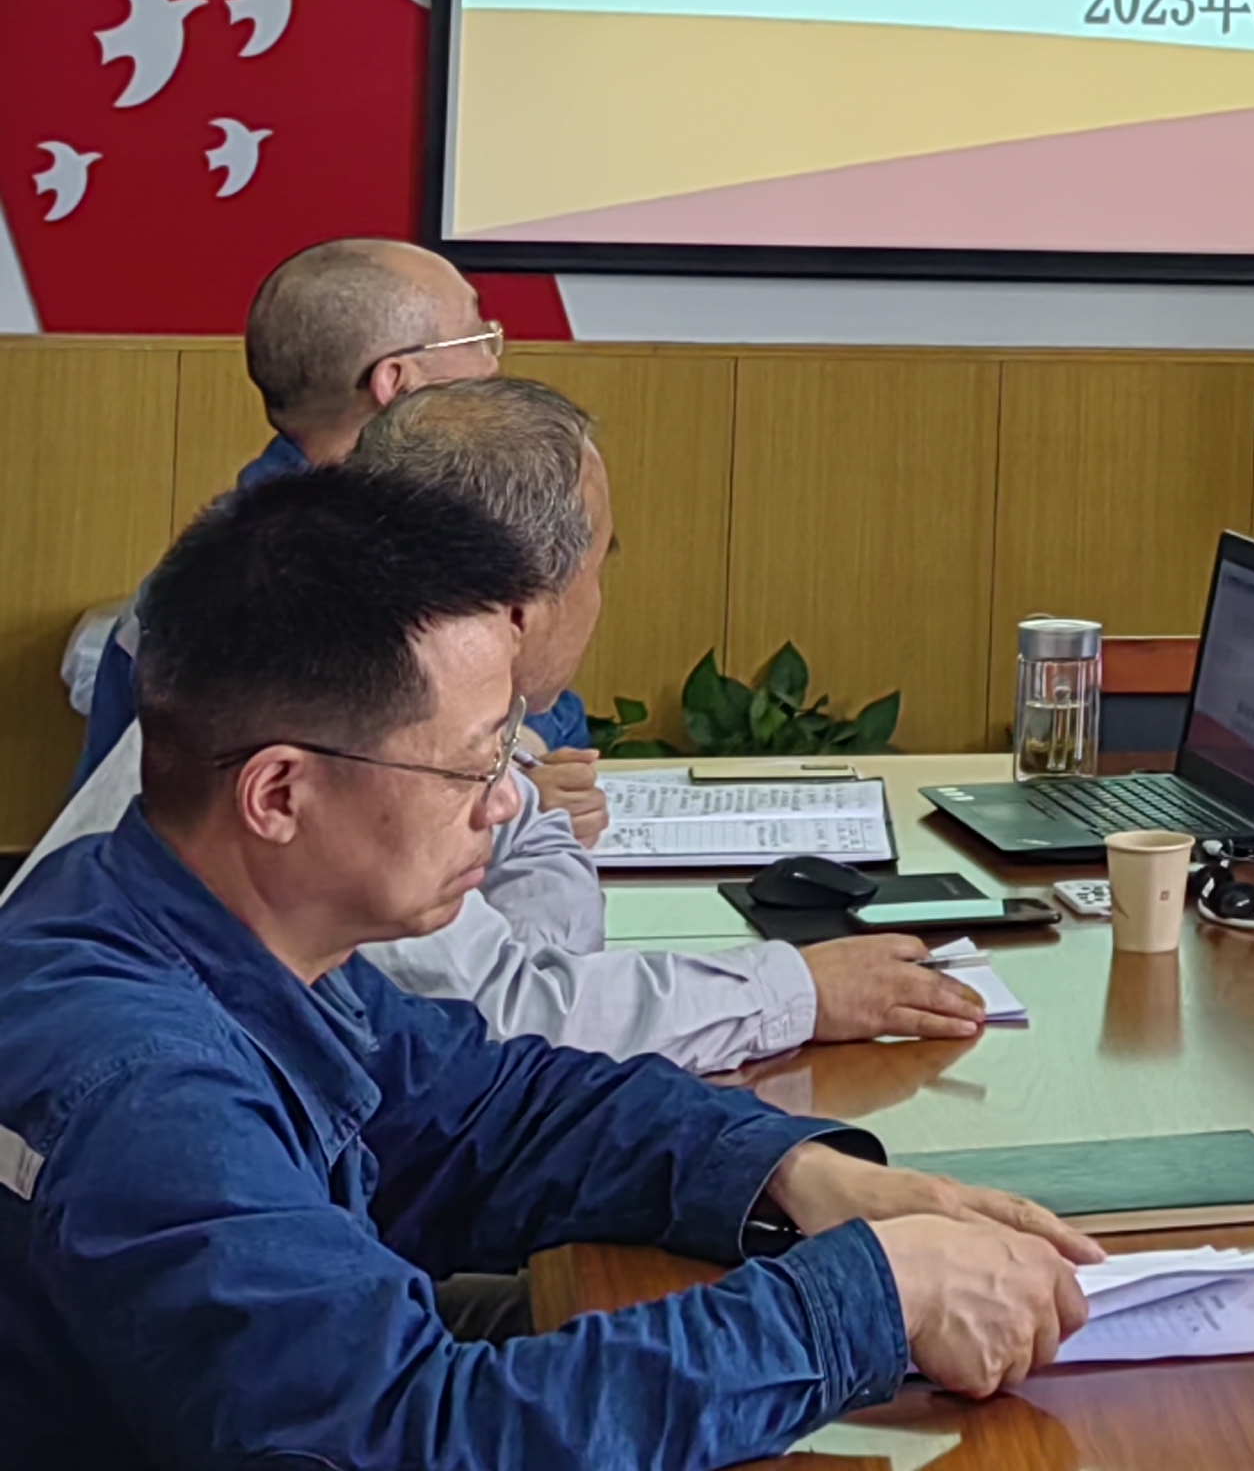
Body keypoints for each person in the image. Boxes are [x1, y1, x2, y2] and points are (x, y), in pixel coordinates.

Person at [0, 462, 1103, 1463]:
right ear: (279, 793)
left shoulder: (192, 916)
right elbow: (406, 1438)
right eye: (472, 765)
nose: (506, 804)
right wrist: (876, 1297)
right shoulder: (148, 1084)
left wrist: (796, 1177)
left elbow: (492, 1111)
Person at [12, 379, 990, 1069]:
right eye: (600, 563)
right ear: (518, 606)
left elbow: (505, 1014)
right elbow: (511, 1020)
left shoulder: (399, 701)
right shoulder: (355, 746)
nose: (500, 800)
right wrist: (794, 995)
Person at [75, 237, 588, 786]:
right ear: (397, 381)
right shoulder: (301, 577)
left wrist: (522, 753)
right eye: (477, 338)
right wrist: (514, 782)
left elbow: (541, 707)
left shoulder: (271, 531)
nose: (492, 366)